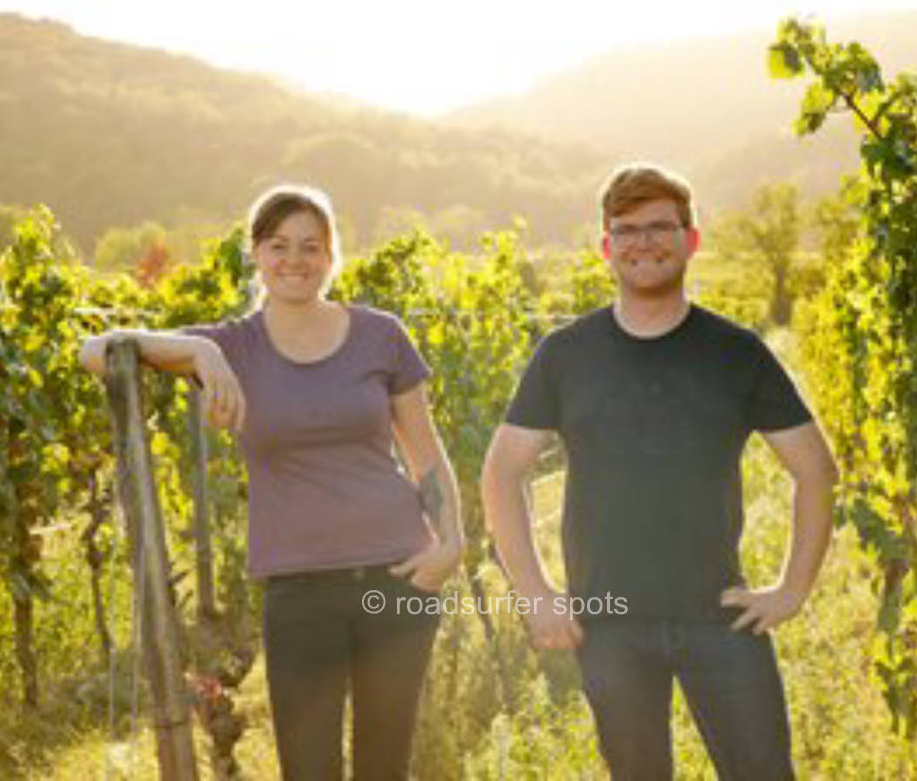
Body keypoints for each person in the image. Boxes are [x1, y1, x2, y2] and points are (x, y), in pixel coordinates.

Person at [80, 184, 463, 780]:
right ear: (256, 253)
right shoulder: (234, 345)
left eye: (312, 246)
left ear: (331, 257)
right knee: (308, 770)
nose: (295, 259)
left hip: (398, 576)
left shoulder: (380, 335)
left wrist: (452, 543)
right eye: (279, 245)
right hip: (299, 590)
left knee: (385, 768)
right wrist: (199, 352)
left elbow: (425, 449)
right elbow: (95, 351)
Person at [481, 163, 838, 780]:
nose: (642, 242)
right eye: (626, 230)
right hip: (609, 620)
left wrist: (791, 591)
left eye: (659, 227)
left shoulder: (736, 353)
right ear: (606, 247)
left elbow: (816, 470)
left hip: (720, 615)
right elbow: (501, 474)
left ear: (691, 239)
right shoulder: (565, 354)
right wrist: (536, 595)